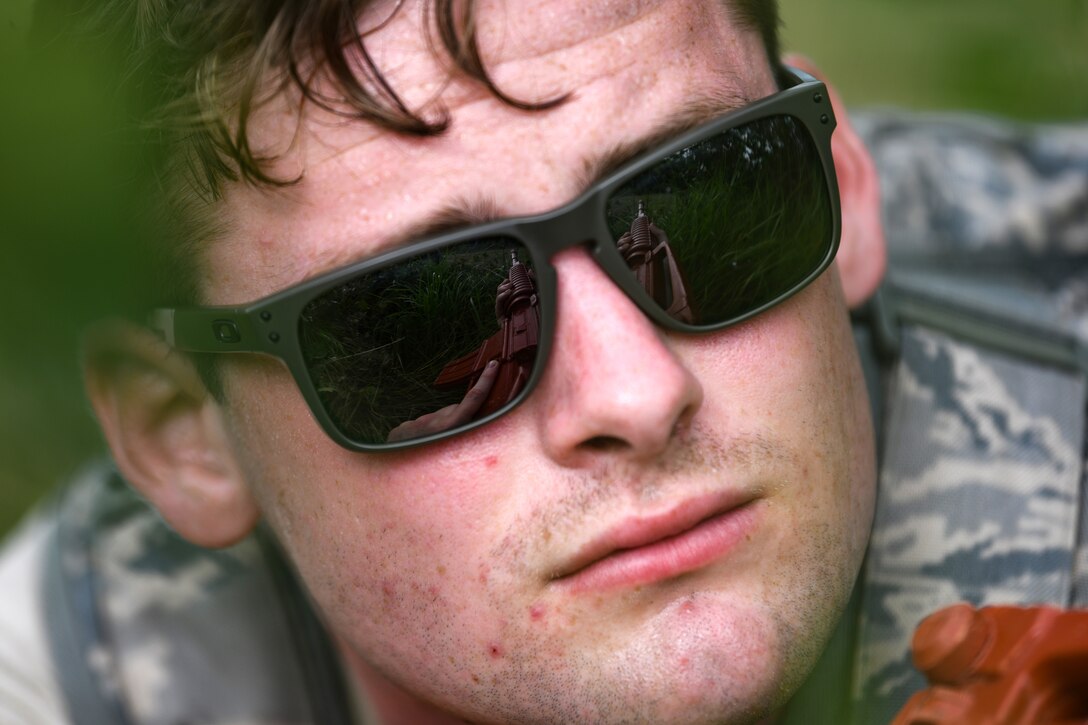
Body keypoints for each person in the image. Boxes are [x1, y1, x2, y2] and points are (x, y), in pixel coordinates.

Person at [1, 0, 894, 722]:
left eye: (710, 197)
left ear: (844, 182)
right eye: (424, 320)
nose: (639, 392)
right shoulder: (62, 681)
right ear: (184, 435)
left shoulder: (1041, 355)